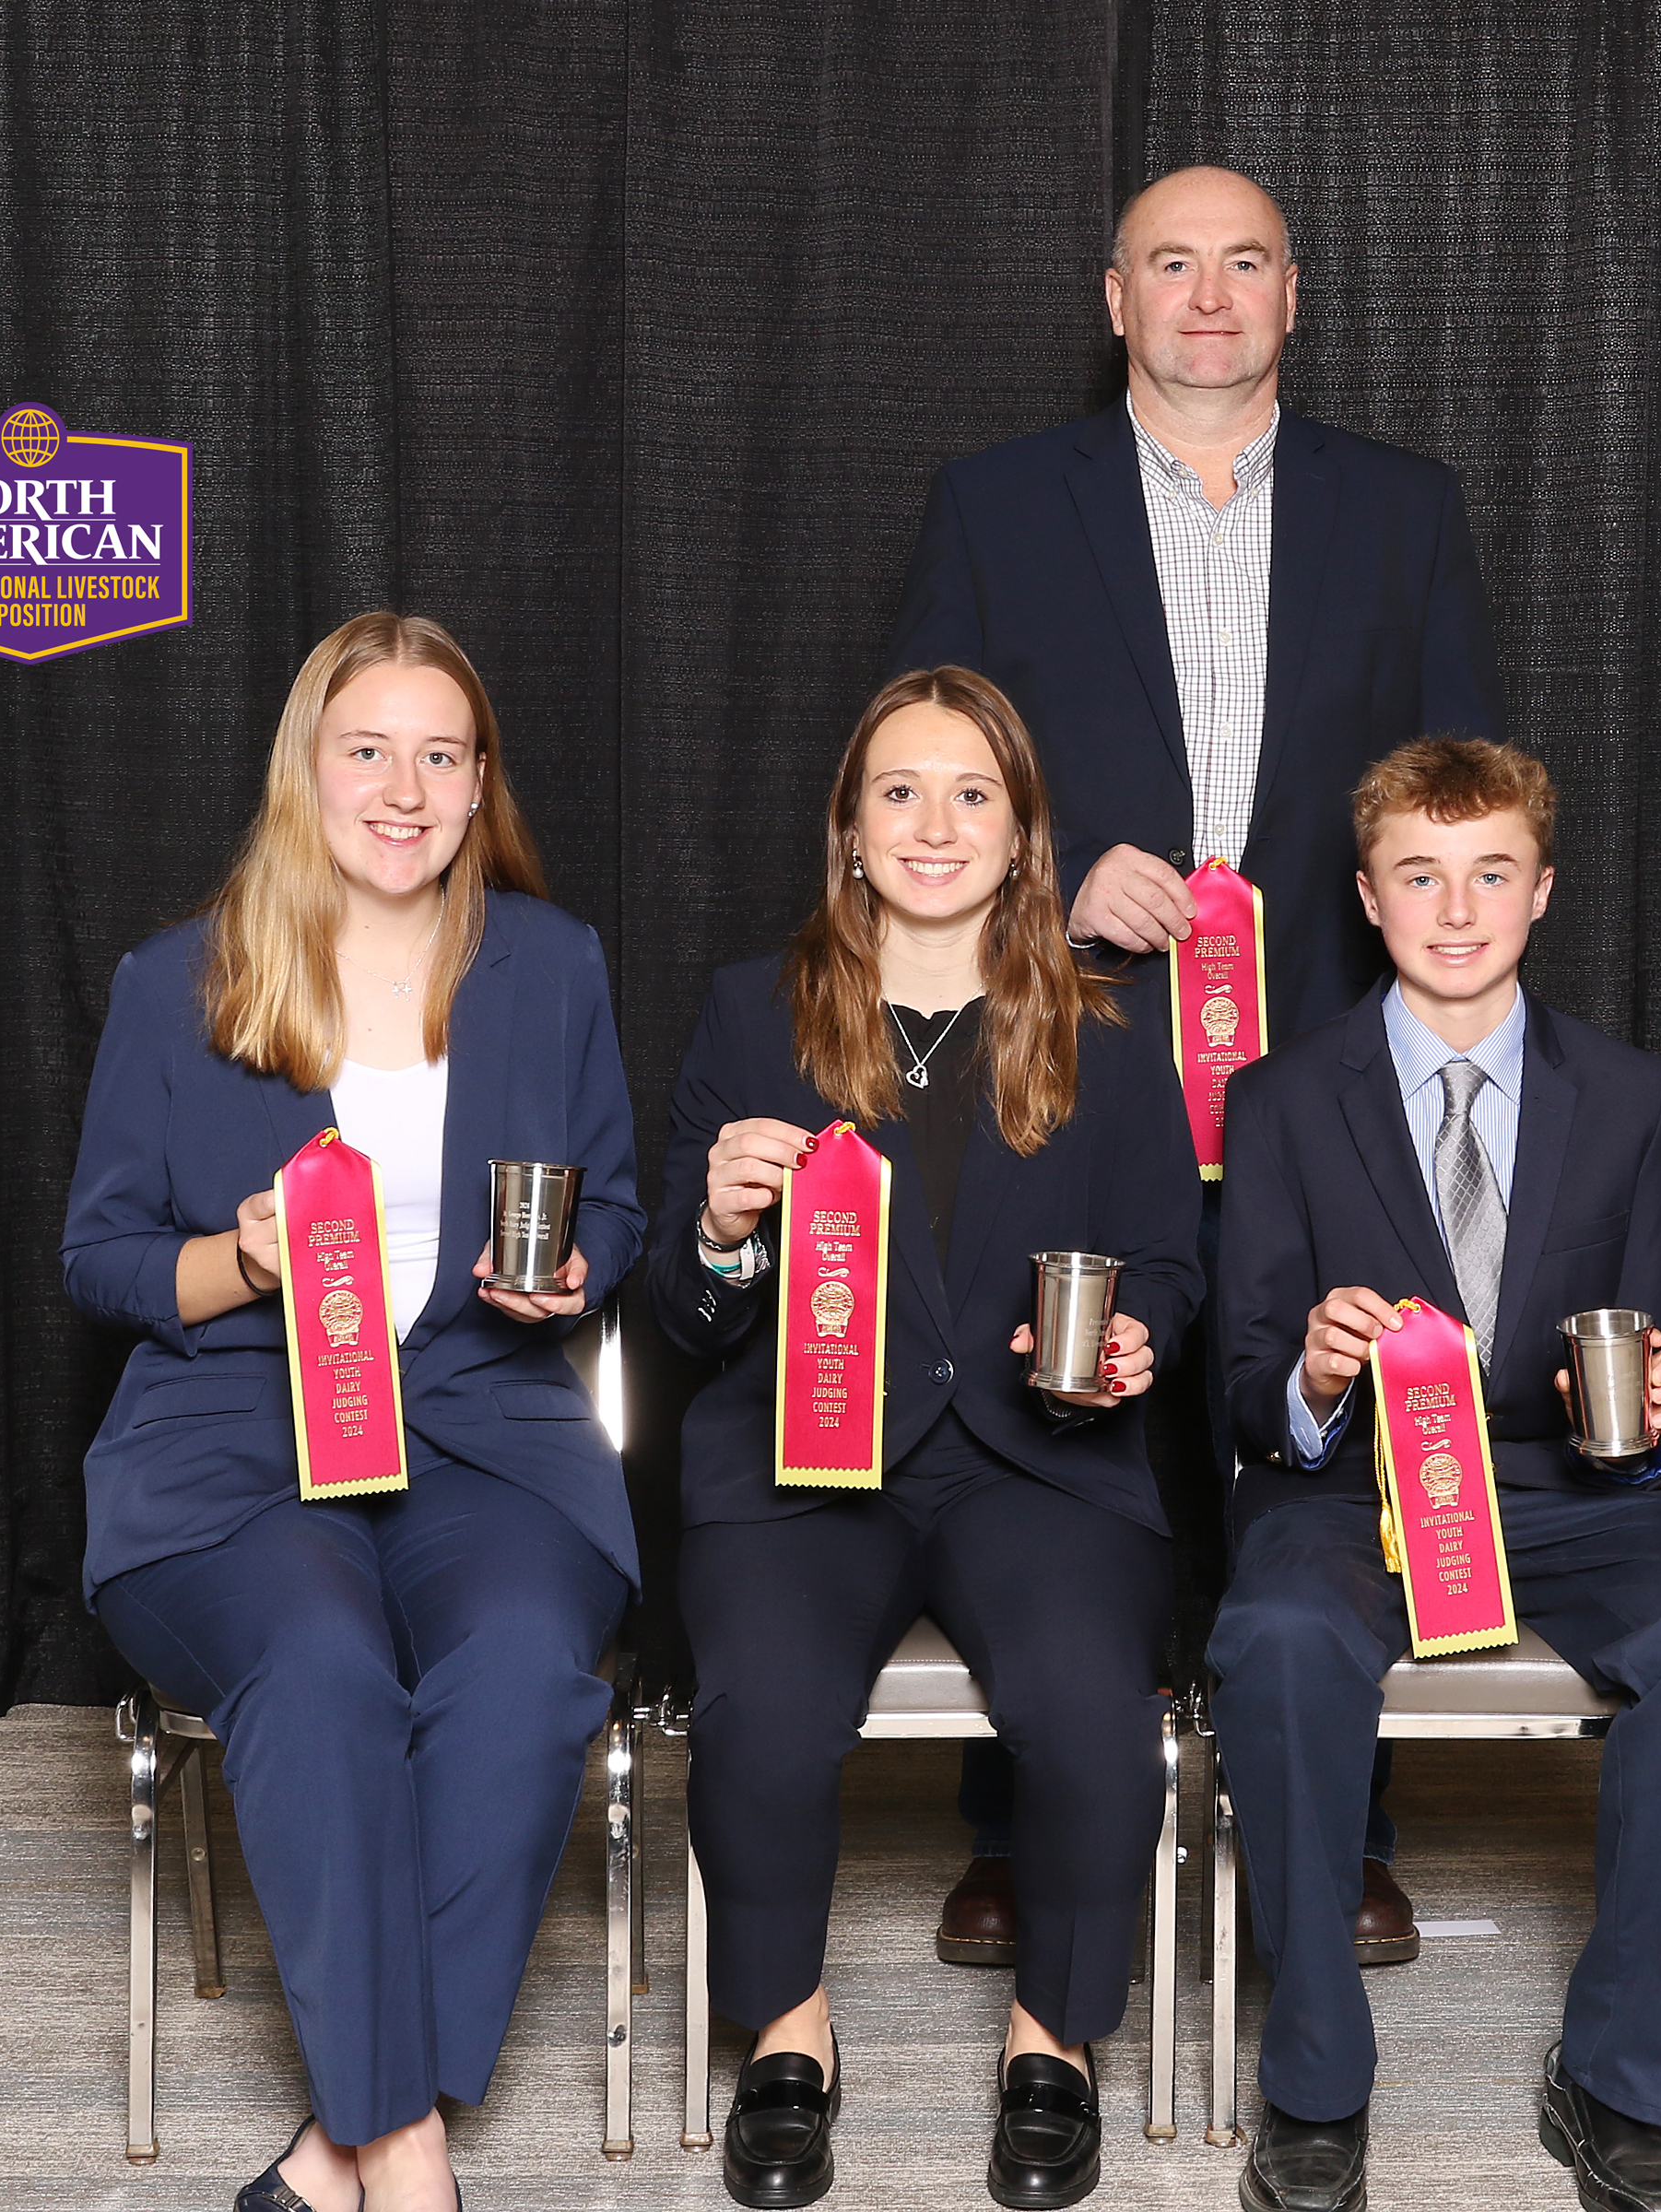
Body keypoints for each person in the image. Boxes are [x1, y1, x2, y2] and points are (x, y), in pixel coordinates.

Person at [888, 159, 1494, 1973]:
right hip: (1065, 1040)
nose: (1209, 296)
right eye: (1173, 264)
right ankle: (1033, 1816)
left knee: (1328, 1425)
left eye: (1245, 265)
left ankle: (1343, 1824)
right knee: (1061, 1417)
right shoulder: (999, 506)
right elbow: (919, 759)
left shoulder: (1405, 511)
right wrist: (1054, 875)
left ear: (1292, 299)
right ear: (1117, 298)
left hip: (1330, 1045)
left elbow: (1461, 784)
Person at [64, 611, 643, 2212]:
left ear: (477, 787)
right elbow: (102, 1258)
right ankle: (407, 2160)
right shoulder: (179, 980)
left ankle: (340, 2146)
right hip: (235, 1446)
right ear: (305, 771)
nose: (405, 788)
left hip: (486, 1430)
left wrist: (576, 1271)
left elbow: (623, 1213)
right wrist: (234, 1263)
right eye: (369, 750)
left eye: (441, 755)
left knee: (525, 1674)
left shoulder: (552, 964)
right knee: (318, 1671)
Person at [644, 665, 1206, 2212]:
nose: (936, 822)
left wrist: (1139, 1341)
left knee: (1094, 1710)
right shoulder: (752, 1015)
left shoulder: (1109, 1032)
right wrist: (719, 1226)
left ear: (1028, 835)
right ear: (848, 829)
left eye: (974, 793)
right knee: (761, 1708)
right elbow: (679, 1316)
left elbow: (1165, 1263)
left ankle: (1055, 2041)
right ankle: (788, 2036)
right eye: (900, 791)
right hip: (800, 1463)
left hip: (1036, 1458)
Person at [1207, 739, 1661, 2212]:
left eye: (1489, 875)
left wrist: (1657, 1407)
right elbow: (1242, 1388)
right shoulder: (1277, 1100)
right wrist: (1318, 1376)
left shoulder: (1637, 1096)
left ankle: (1622, 2082)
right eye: (1419, 876)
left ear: (1542, 892)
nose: (1455, 911)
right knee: (1274, 1639)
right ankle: (1316, 2079)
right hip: (1350, 1497)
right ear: (1366, 895)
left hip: (1570, 1494)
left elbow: (1654, 1365)